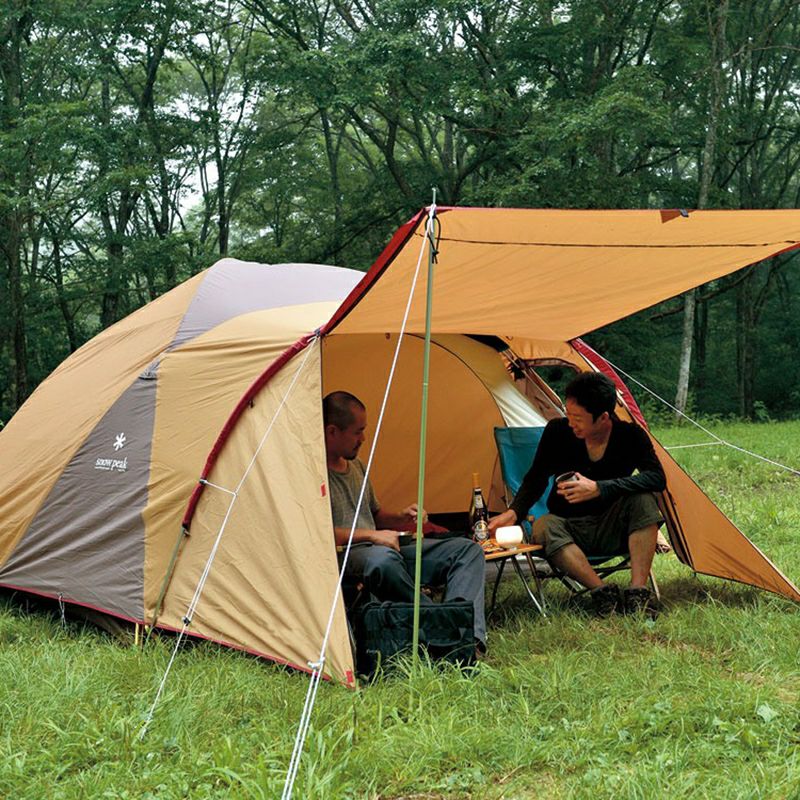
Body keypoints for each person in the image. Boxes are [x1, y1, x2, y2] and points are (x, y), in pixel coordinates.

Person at [489, 372, 666, 616]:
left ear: (603, 417)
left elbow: (656, 478)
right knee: (543, 526)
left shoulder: (630, 436)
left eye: (578, 418)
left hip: (613, 527)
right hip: (568, 528)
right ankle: (602, 592)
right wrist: (514, 512)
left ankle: (637, 593)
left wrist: (600, 488)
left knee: (644, 500)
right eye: (568, 414)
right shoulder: (558, 432)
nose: (571, 422)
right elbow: (536, 477)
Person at [323, 391, 487, 653]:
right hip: (349, 556)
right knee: (382, 561)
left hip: (385, 549)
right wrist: (372, 536)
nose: (363, 439)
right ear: (332, 432)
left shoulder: (357, 467)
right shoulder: (314, 472)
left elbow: (375, 514)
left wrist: (401, 516)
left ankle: (469, 635)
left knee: (467, 550)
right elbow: (320, 533)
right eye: (358, 432)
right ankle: (446, 628)